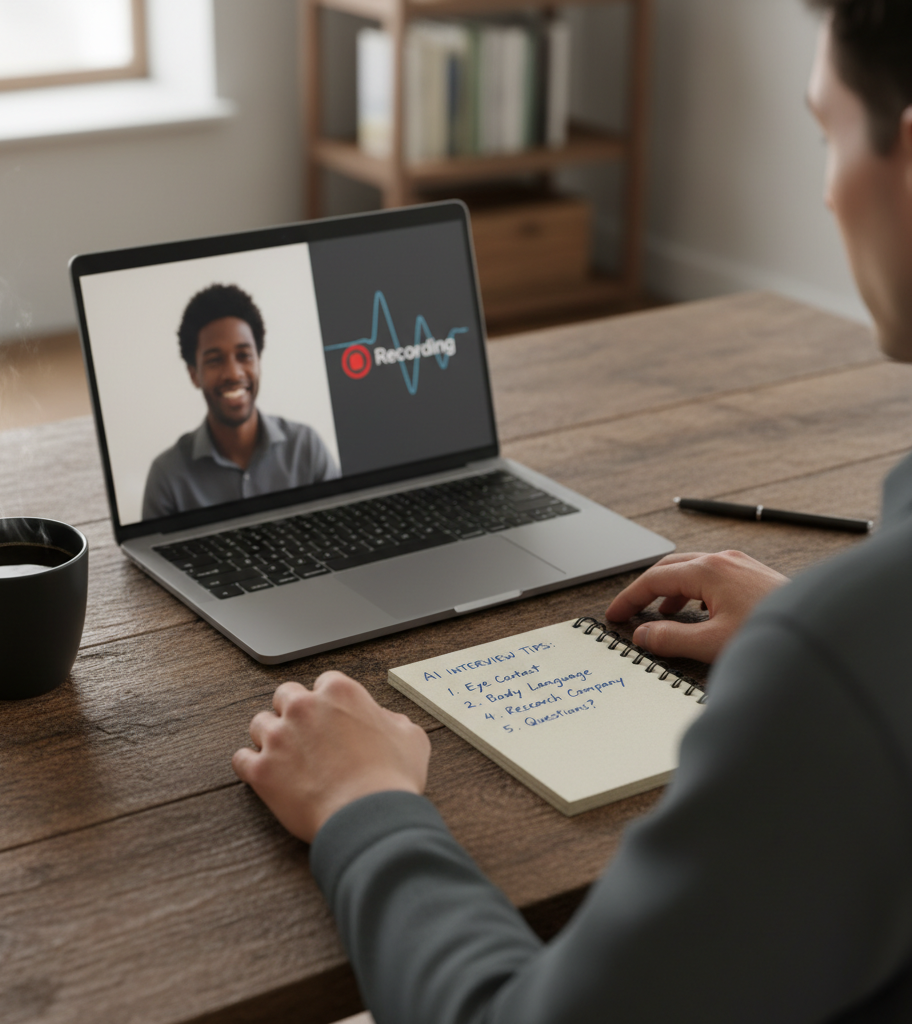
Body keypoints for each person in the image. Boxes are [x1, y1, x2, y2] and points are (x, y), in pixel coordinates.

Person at [232, 2, 912, 1020]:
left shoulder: (844, 663)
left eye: (826, 134)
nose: (822, 193)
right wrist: (826, 641)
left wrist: (361, 804)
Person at [142, 284, 339, 520]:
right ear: (194, 374)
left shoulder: (306, 449)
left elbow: (342, 530)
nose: (234, 374)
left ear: (258, 361)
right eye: (215, 360)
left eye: (244, 356)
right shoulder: (167, 477)